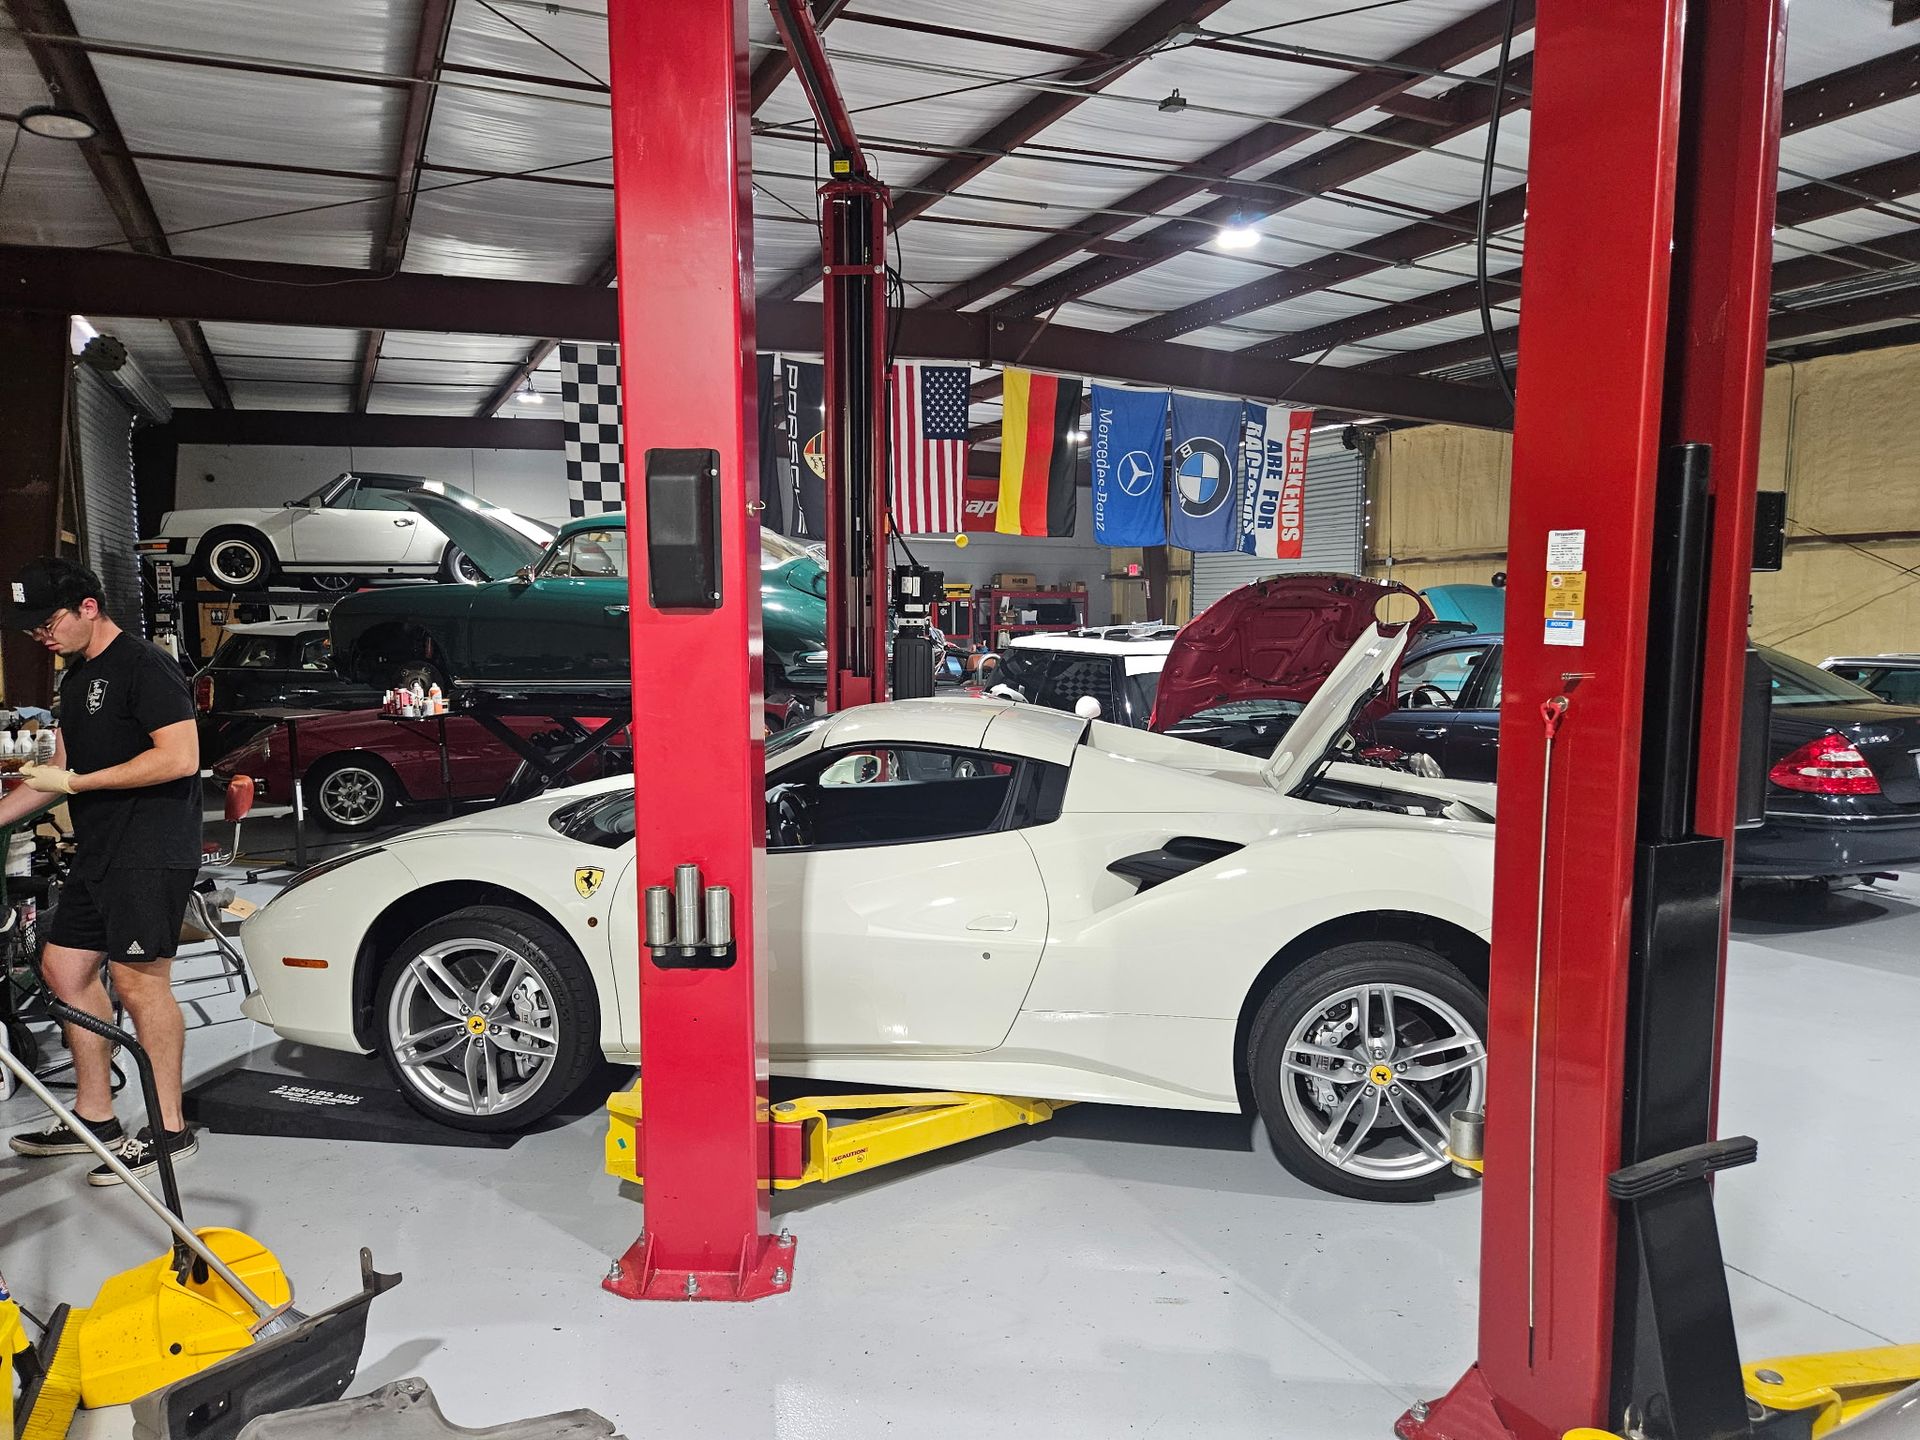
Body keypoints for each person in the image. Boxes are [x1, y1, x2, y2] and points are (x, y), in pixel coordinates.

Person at [0, 558, 202, 1182]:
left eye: (50, 620)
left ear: (89, 606)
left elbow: (180, 757)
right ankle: (96, 1116)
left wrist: (78, 781)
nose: (43, 635)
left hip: (151, 847)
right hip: (99, 848)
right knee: (63, 967)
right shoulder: (75, 676)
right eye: (32, 628)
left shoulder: (145, 666)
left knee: (139, 983)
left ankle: (170, 1130)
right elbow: (58, 770)